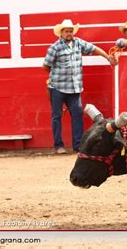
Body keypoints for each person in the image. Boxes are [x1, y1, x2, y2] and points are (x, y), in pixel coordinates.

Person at [42, 19, 114, 154]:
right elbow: (45, 66)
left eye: (71, 31)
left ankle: (78, 146)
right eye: (66, 31)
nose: (69, 33)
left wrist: (107, 57)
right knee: (56, 116)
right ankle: (58, 146)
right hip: (57, 87)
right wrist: (56, 77)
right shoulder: (54, 47)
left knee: (77, 115)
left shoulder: (78, 43)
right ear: (61, 33)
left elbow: (93, 48)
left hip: (74, 88)